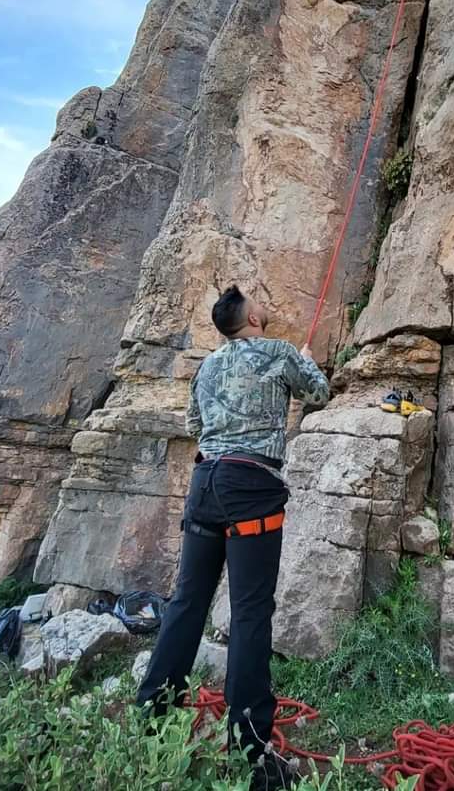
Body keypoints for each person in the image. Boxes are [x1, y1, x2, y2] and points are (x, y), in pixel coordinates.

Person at [136, 284, 330, 791]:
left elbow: (194, 423)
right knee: (249, 611)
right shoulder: (279, 352)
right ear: (253, 318)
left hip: (205, 484)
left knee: (186, 602)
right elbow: (319, 392)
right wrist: (306, 363)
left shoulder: (207, 367)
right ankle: (251, 749)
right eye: (259, 302)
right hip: (251, 487)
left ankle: (152, 715)